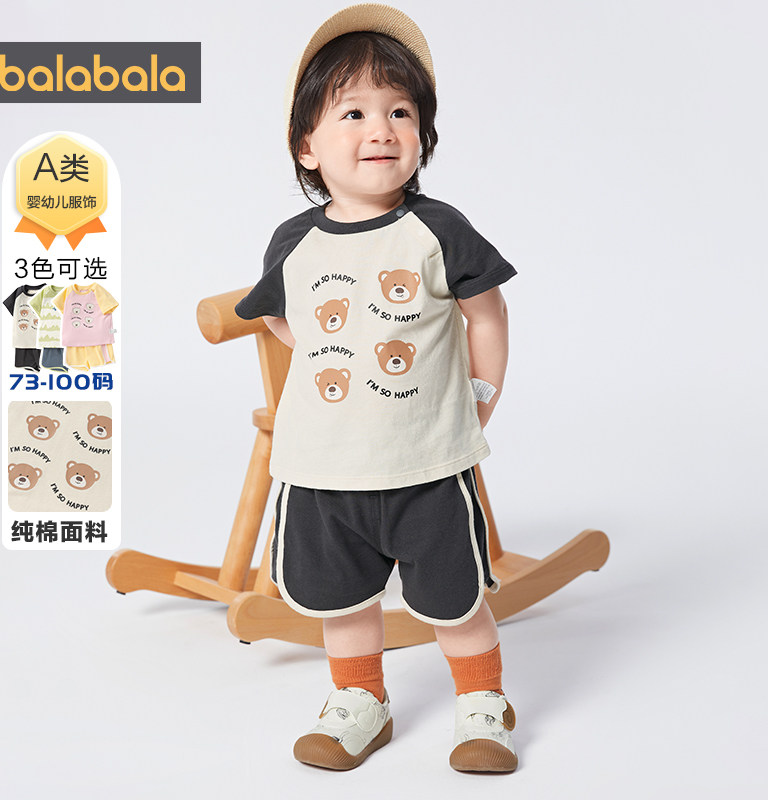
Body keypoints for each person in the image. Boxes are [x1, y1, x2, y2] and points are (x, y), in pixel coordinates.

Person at [235, 3, 517, 773]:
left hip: (425, 461)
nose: (381, 130)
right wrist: (335, 355)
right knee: (343, 600)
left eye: (400, 112)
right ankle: (361, 699)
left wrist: (481, 393)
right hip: (323, 467)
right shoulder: (294, 241)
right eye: (353, 112)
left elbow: (486, 313)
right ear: (307, 144)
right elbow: (284, 319)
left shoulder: (437, 229)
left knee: (455, 599)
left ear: (422, 135)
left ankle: (482, 703)